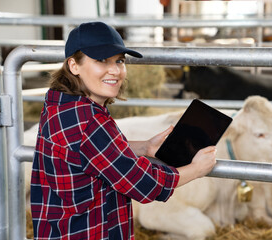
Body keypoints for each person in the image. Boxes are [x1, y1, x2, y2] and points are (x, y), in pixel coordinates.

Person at [30, 21, 217, 239]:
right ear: (74, 66)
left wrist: (144, 146)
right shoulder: (90, 122)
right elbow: (143, 182)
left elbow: (84, 153)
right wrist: (196, 170)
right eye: (101, 60)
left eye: (119, 60)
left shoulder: (58, 104)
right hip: (89, 231)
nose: (115, 70)